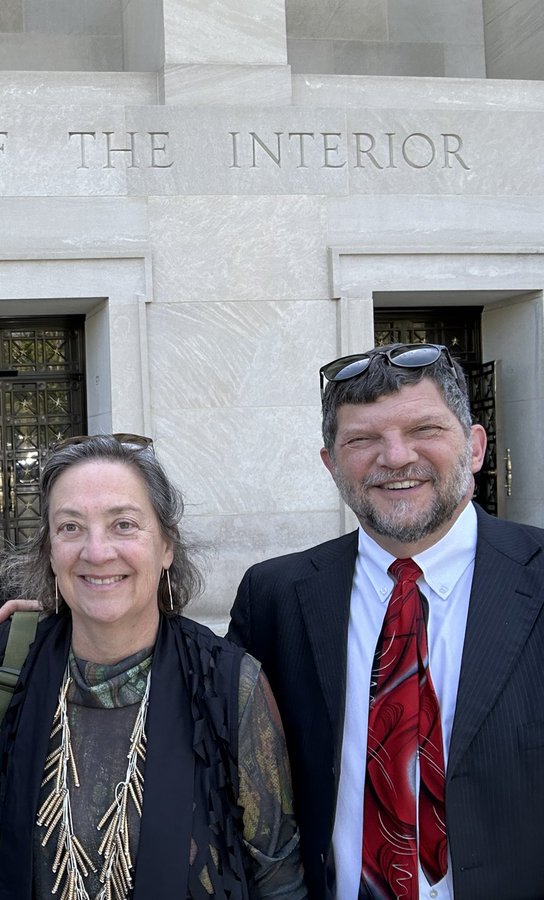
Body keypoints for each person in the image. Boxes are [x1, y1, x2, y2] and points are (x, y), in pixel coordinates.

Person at [0, 433, 305, 899]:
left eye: (123, 524)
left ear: (166, 546)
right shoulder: (7, 660)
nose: (97, 551)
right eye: (70, 527)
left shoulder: (230, 685)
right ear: (50, 550)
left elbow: (278, 877)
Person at [229, 343, 544, 900]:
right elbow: (212, 732)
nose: (395, 457)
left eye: (424, 429)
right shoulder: (274, 597)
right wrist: (72, 621)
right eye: (362, 440)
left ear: (474, 447)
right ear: (331, 464)